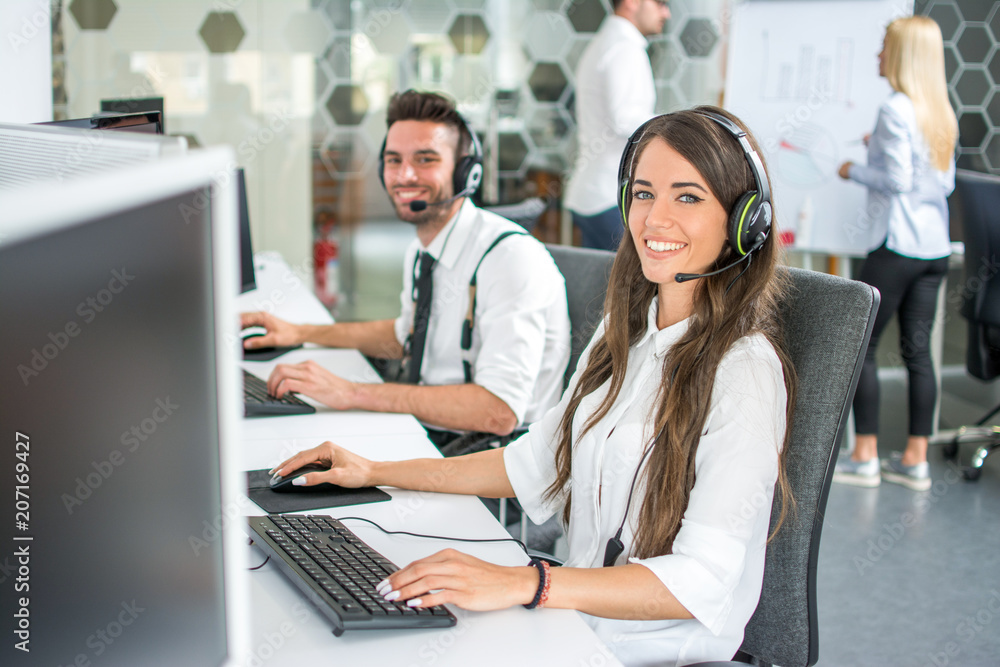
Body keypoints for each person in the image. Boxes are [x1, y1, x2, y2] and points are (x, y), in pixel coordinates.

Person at [269, 107, 797, 666]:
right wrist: (374, 472)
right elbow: (535, 463)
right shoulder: (626, 335)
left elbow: (700, 580)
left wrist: (530, 584)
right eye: (643, 194)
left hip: (649, 651)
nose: (654, 219)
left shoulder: (745, 373)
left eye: (687, 197)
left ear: (744, 222)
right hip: (572, 622)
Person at [242, 90, 570, 449]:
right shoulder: (424, 248)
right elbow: (406, 335)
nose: (404, 175)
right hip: (431, 432)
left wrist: (353, 392)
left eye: (425, 159)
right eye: (393, 160)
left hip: (487, 462)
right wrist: (299, 332)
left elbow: (498, 411)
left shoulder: (509, 260)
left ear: (466, 173)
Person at [833, 16, 957, 492]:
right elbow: (936, 181)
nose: (878, 56)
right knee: (917, 353)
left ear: (902, 56)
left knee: (861, 348)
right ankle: (915, 461)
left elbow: (898, 181)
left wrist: (854, 169)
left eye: (884, 47)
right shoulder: (938, 110)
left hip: (897, 246)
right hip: (934, 248)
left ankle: (864, 456)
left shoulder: (895, 109)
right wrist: (879, 151)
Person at [562, 0, 670, 251]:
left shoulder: (608, 42)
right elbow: (625, 118)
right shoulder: (624, 48)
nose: (666, 12)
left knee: (600, 284)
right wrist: (678, 129)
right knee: (631, 286)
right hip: (609, 196)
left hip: (596, 193)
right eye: (660, 3)